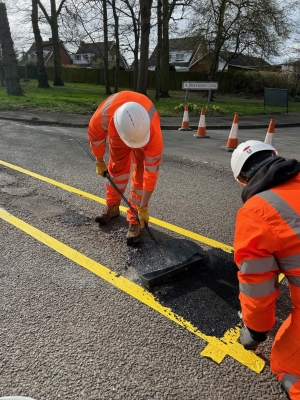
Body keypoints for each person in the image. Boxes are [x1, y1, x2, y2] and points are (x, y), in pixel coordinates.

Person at [231, 140, 300, 400]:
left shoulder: (256, 212)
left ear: (241, 180)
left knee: (286, 363)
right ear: (276, 155)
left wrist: (255, 332)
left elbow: (257, 287)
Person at [87, 91, 163, 245]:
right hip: (118, 131)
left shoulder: (153, 135)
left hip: (142, 135)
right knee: (116, 169)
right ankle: (112, 207)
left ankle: (135, 218)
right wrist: (99, 161)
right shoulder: (102, 117)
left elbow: (150, 174)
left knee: (141, 174)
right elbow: (95, 137)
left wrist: (143, 208)